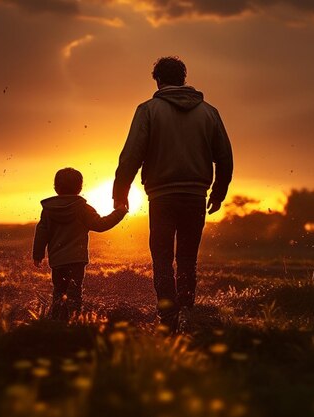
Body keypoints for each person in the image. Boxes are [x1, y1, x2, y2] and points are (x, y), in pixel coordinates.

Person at [113, 56, 233, 331]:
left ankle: (167, 319)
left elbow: (132, 156)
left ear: (157, 79)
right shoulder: (209, 112)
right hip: (196, 196)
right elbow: (224, 157)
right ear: (183, 78)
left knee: (163, 259)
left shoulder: (148, 110)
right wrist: (219, 191)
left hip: (161, 198)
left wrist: (121, 191)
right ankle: (187, 314)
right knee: (188, 259)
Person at [33, 168, 127, 320]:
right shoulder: (82, 208)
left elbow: (42, 232)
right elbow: (100, 224)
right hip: (76, 260)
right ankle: (74, 321)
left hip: (57, 261)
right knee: (74, 293)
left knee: (59, 292)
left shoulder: (48, 210)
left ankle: (56, 321)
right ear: (80, 187)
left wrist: (38, 255)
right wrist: (119, 212)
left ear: (56, 187)